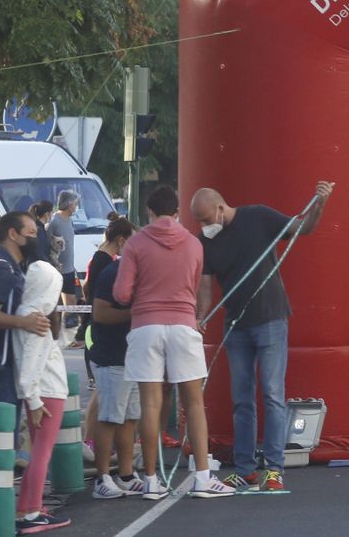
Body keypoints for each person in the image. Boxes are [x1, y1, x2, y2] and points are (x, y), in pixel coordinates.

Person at [192, 180, 333, 491]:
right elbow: (205, 287)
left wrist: (320, 202)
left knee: (271, 395)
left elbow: (303, 228)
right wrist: (200, 316)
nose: (203, 227)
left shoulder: (257, 217)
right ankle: (245, 468)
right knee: (241, 399)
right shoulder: (206, 242)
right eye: (199, 222)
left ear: (219, 207)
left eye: (205, 219)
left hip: (270, 319)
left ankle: (274, 468)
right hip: (235, 325)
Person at [114, 186, 233, 499]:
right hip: (182, 324)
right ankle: (203, 478)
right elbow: (193, 286)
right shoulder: (194, 244)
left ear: (149, 213)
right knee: (194, 402)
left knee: (150, 404)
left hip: (145, 326)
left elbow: (121, 294)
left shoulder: (136, 243)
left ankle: (151, 481)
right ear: (178, 212)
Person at [89, 223, 145, 501]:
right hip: (112, 357)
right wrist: (135, 314)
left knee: (130, 418)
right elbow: (99, 314)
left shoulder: (136, 273)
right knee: (110, 418)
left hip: (131, 357)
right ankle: (102, 478)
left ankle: (126, 474)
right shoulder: (112, 273)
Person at [14, 260, 71, 531]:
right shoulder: (37, 319)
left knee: (38, 451)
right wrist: (33, 398)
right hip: (47, 393)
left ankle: (25, 507)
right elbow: (31, 364)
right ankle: (33, 512)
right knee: (42, 454)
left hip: (39, 394)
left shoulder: (25, 312)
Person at [0, 214, 48, 411]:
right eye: (31, 233)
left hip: (5, 366)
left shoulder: (15, 268)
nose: (35, 239)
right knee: (0, 437)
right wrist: (23, 322)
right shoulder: (1, 269)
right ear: (13, 234)